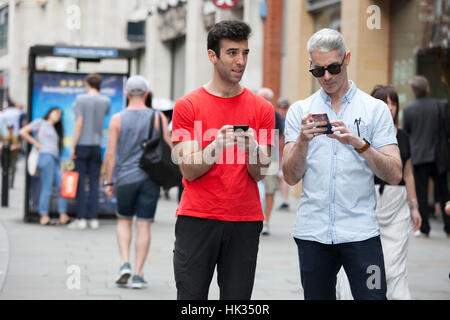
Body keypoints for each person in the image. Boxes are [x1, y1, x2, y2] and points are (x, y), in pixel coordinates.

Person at [282, 28, 402, 300]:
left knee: (374, 297)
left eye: (333, 68)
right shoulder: (300, 111)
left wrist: (361, 145)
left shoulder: (375, 110)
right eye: (317, 71)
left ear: (347, 59)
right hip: (313, 233)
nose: (326, 77)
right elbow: (289, 177)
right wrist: (302, 141)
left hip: (361, 233)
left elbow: (394, 173)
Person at [171, 20, 274, 300]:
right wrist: (215, 146)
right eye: (232, 53)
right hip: (197, 218)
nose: (240, 61)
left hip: (245, 219)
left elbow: (262, 173)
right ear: (212, 55)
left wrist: (252, 148)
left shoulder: (263, 108)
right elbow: (188, 170)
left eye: (245, 53)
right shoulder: (186, 106)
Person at [336, 85, 422, 300]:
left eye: (393, 103)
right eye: (385, 103)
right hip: (368, 202)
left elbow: (408, 174)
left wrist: (414, 207)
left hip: (397, 205)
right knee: (361, 262)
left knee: (395, 265)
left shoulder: (403, 137)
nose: (389, 108)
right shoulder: (364, 134)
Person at [104, 75, 171, 289]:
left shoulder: (117, 119)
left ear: (126, 94)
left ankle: (124, 263)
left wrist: (108, 182)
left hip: (124, 177)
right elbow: (168, 148)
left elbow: (111, 154)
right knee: (144, 224)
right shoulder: (158, 117)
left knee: (124, 220)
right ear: (146, 93)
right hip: (150, 178)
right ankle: (138, 274)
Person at [402, 75, 450, 238]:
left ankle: (424, 230)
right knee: (444, 193)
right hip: (438, 156)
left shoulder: (408, 110)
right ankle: (449, 229)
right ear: (427, 88)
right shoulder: (440, 106)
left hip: (420, 156)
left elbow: (407, 134)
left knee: (421, 194)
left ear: (414, 91)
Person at [68, 74, 110, 230]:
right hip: (96, 145)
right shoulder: (106, 101)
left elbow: (79, 123)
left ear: (87, 84)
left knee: (80, 183)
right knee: (94, 183)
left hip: (82, 144)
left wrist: (73, 146)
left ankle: (81, 218)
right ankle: (93, 218)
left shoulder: (81, 99)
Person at [20, 108, 70, 226]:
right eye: (56, 112)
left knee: (62, 185)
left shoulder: (55, 129)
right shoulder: (40, 123)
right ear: (50, 112)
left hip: (54, 159)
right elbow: (23, 131)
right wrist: (35, 143)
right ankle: (44, 215)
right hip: (45, 157)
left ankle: (62, 214)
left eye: (60, 115)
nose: (58, 116)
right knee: (47, 187)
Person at [257, 87, 283, 236]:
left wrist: (280, 162)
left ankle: (266, 220)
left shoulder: (275, 116)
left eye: (265, 98)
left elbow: (280, 139)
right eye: (260, 97)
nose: (262, 101)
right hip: (253, 157)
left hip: (271, 159)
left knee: (269, 190)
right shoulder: (252, 111)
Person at [276, 97, 291, 210]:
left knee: (283, 176)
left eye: (285, 107)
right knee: (279, 177)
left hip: (287, 150)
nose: (282, 109)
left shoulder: (289, 119)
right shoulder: (275, 118)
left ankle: (285, 200)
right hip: (275, 151)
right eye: (280, 107)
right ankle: (284, 199)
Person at [0, 123, 21, 188]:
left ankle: (11, 183)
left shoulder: (15, 137)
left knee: (13, 170)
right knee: (5, 170)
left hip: (13, 155)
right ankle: (6, 182)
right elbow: (1, 145)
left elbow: (19, 145)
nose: (10, 130)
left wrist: (14, 147)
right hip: (6, 156)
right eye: (9, 128)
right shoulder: (5, 137)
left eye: (11, 128)